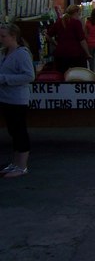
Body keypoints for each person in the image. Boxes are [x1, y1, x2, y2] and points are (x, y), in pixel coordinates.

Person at [0, 24, 35, 178]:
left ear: (13, 36)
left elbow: (29, 76)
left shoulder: (22, 54)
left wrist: (5, 79)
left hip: (17, 99)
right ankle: (15, 163)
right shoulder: (4, 53)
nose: (1, 39)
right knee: (13, 131)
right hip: (6, 98)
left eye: (3, 36)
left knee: (19, 131)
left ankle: (22, 165)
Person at [47, 4, 92, 73]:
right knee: (79, 76)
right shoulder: (76, 23)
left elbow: (48, 35)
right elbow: (82, 40)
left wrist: (55, 43)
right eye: (79, 14)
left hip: (60, 54)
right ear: (76, 12)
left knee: (61, 76)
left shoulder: (59, 22)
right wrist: (88, 53)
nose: (79, 16)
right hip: (76, 55)